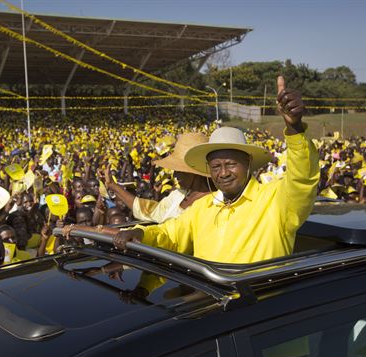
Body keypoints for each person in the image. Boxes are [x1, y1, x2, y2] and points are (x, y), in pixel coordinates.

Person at [114, 76, 319, 264]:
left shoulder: (276, 201)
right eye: (216, 167)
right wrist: (141, 233)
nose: (223, 173)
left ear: (247, 162)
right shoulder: (202, 209)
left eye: (230, 164)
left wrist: (295, 128)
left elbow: (302, 179)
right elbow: (169, 235)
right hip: (210, 301)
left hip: (259, 302)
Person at [101, 133, 211, 223]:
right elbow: (149, 210)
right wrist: (112, 185)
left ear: (195, 171)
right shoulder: (179, 195)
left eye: (179, 170)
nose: (175, 175)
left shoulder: (211, 203)